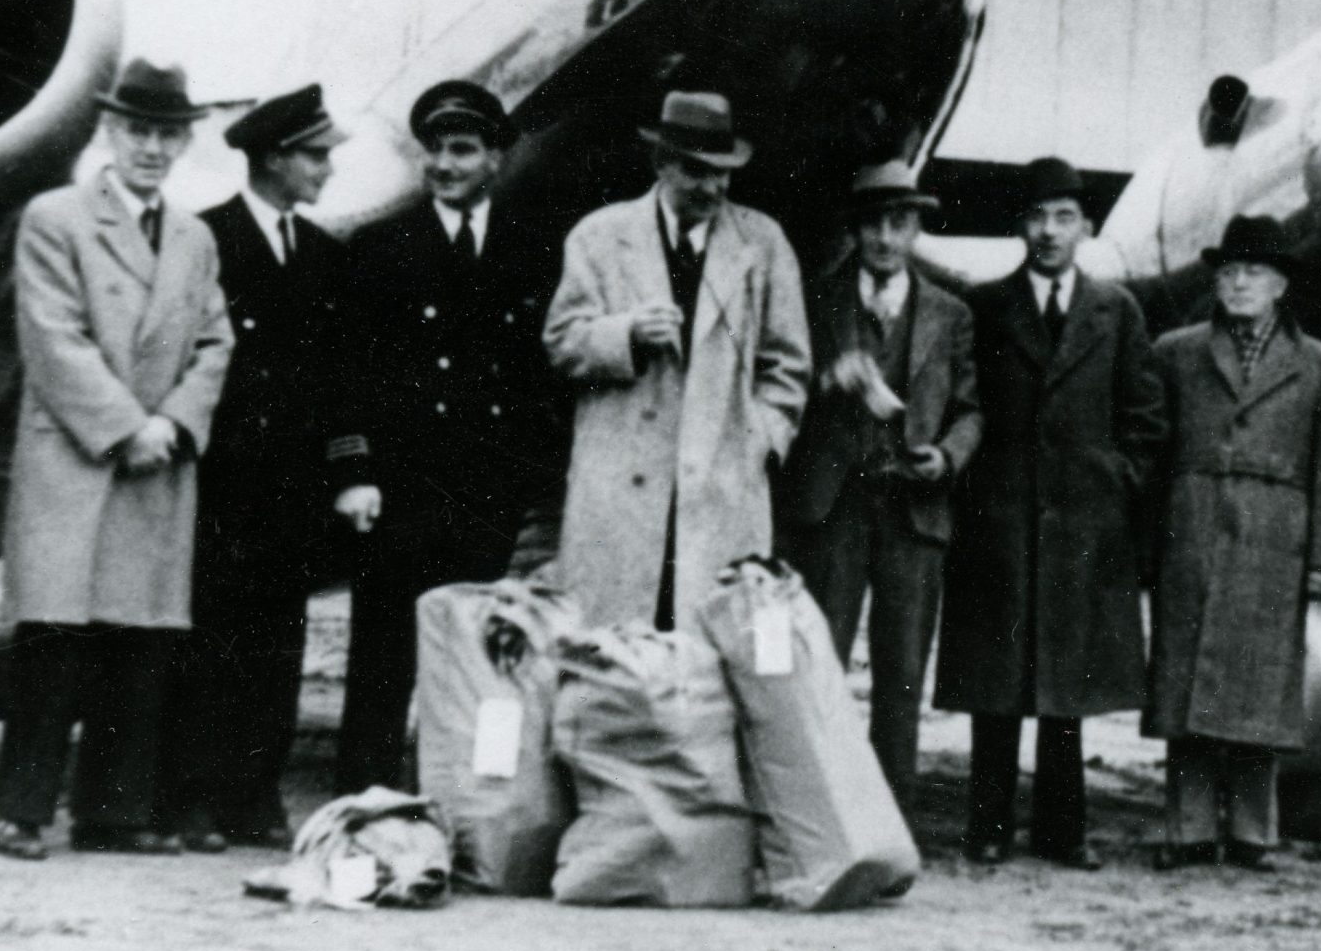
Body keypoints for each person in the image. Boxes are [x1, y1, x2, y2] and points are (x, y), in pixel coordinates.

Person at [0, 59, 233, 860]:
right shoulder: (55, 218)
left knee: (139, 642)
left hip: (159, 459)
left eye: (169, 134)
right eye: (138, 130)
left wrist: (175, 421)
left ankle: (113, 812)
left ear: (187, 140)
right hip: (79, 457)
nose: (153, 148)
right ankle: (22, 811)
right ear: (109, 131)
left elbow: (215, 339)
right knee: (56, 640)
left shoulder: (195, 236)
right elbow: (52, 337)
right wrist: (128, 425)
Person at [328, 80, 568, 796]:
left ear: (496, 157)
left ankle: (457, 804)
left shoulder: (533, 250)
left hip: (486, 493)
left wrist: (532, 484)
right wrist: (355, 470)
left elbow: (542, 379)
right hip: (402, 487)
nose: (445, 164)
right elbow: (349, 372)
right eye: (435, 148)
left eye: (463, 149)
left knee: (471, 659)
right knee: (383, 654)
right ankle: (364, 801)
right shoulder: (381, 245)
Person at [160, 84, 375, 852]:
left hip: (292, 490)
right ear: (274, 157)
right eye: (316, 155)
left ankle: (254, 795)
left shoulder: (323, 253)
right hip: (215, 480)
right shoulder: (201, 239)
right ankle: (187, 796)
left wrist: (351, 471)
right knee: (205, 642)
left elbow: (344, 376)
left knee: (277, 647)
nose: (327, 169)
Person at [934, 156, 1165, 870]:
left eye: (1064, 217)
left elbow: (1146, 418)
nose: (1049, 231)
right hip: (999, 525)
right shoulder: (985, 304)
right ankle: (989, 824)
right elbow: (961, 401)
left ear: (1086, 227)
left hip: (1082, 529)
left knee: (1067, 688)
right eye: (1036, 217)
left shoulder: (1116, 311)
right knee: (996, 686)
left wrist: (1113, 484)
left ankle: (1064, 829)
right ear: (1019, 226)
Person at [534, 91, 810, 629]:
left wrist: (759, 438)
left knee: (708, 655)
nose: (714, 187)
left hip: (719, 488)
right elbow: (561, 342)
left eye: (724, 173)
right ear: (661, 164)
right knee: (614, 658)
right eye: (696, 171)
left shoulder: (763, 243)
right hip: (619, 493)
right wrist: (625, 335)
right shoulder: (599, 236)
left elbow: (788, 365)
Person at [1143, 214, 1321, 872]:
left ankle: (1255, 832)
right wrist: (1152, 544)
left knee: (1264, 690)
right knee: (1186, 688)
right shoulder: (1175, 352)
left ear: (1280, 283)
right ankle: (1189, 829)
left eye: (1253, 271)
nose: (1238, 283)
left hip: (1274, 540)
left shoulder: (1318, 365)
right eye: (1228, 271)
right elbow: (1152, 454)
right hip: (1193, 528)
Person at [774, 160, 982, 807]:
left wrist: (946, 457)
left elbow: (972, 408)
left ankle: (889, 817)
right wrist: (826, 380)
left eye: (899, 222)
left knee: (901, 675)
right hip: (832, 507)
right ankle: (818, 812)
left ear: (917, 227)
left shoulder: (950, 313)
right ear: (856, 229)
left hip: (912, 510)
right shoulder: (814, 297)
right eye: (873, 223)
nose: (886, 238)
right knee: (820, 666)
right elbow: (777, 383)